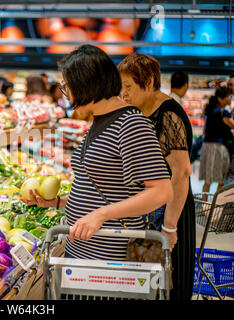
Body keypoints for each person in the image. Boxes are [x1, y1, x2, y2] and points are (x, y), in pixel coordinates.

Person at [23, 45, 172, 263]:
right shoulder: (100, 122)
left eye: (67, 87)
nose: (67, 95)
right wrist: (58, 202)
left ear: (86, 84)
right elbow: (106, 188)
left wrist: (101, 215)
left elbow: (161, 192)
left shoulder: (131, 124)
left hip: (111, 259)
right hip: (83, 253)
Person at [118, 53, 195, 301]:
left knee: (167, 283)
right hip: (150, 211)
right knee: (148, 283)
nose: (124, 94)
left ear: (149, 82)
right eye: (122, 88)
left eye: (128, 87)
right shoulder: (140, 111)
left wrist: (170, 227)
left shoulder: (169, 114)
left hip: (171, 211)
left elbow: (181, 174)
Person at [199, 87, 234, 194]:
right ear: (221, 98)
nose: (230, 99)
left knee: (208, 180)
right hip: (217, 147)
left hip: (207, 146)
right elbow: (232, 125)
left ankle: (205, 206)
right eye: (228, 96)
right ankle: (217, 204)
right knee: (221, 179)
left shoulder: (211, 111)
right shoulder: (222, 112)